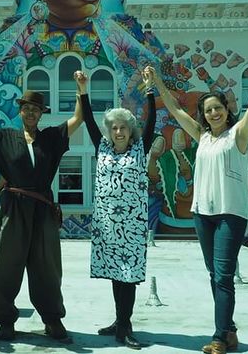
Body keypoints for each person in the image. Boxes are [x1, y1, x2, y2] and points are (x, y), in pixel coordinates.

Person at [0, 71, 86, 343]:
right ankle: (5, 321)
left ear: (41, 114)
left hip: (42, 208)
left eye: (36, 110)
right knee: (5, 264)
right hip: (13, 208)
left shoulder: (51, 138)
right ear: (20, 111)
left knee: (47, 267)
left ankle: (52, 319)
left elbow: (78, 119)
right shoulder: (4, 138)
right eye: (26, 108)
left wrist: (81, 89)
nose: (31, 113)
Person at [149, 60, 248, 354]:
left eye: (218, 108)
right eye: (208, 109)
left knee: (223, 276)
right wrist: (158, 83)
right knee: (215, 274)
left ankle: (220, 337)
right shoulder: (203, 136)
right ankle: (230, 330)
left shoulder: (238, 135)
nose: (213, 112)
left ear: (226, 110)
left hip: (230, 214)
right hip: (203, 214)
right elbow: (174, 109)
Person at [83, 68, 156, 349]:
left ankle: (125, 327)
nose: (118, 131)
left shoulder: (140, 148)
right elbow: (89, 121)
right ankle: (119, 320)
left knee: (129, 277)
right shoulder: (102, 149)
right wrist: (82, 91)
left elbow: (150, 123)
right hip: (108, 226)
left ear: (130, 130)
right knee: (116, 274)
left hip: (133, 226)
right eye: (114, 127)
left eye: (123, 127)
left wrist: (150, 92)